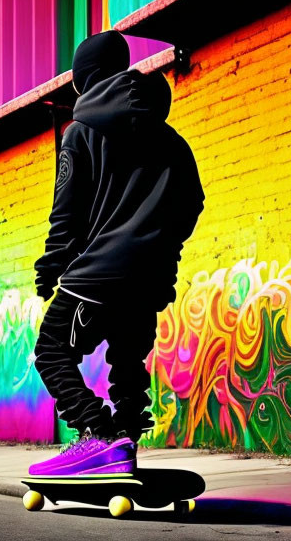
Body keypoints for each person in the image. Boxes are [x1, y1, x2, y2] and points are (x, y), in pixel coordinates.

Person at [29, 31, 204, 476]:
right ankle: (124, 447)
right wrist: (163, 250)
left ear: (84, 80)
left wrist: (52, 268)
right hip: (149, 280)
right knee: (127, 366)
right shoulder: (173, 142)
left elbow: (65, 215)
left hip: (97, 276)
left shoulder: (80, 133)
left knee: (51, 350)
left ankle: (99, 436)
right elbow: (192, 203)